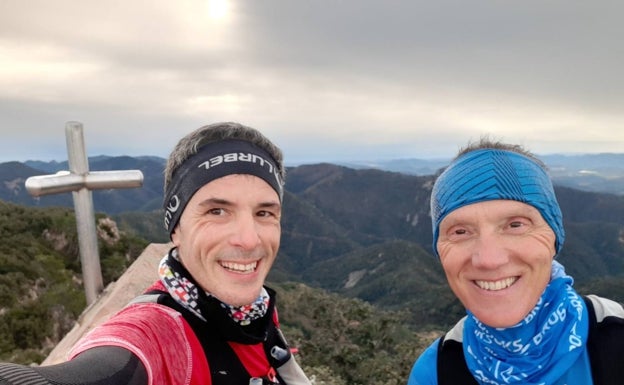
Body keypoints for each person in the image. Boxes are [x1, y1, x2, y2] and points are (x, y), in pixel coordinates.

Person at [0, 122, 311, 385]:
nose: (249, 239)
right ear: (175, 228)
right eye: (217, 211)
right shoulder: (157, 334)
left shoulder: (255, 311)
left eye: (264, 213)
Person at [408, 138, 624, 385]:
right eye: (460, 232)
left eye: (515, 225)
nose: (489, 260)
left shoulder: (615, 338)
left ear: (554, 237)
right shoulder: (436, 372)